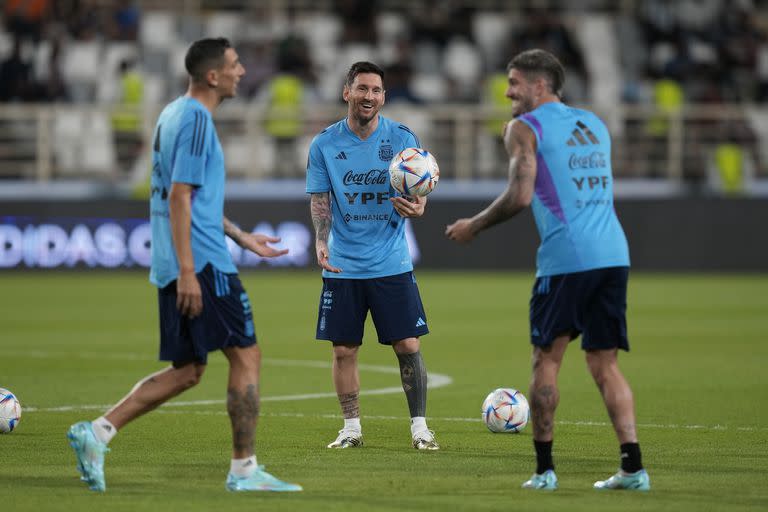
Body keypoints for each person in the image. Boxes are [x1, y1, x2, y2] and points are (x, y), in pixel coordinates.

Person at [67, 38, 302, 493]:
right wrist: (190, 270)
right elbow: (178, 196)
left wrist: (242, 237)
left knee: (190, 369)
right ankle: (244, 470)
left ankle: (97, 432)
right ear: (213, 76)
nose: (241, 71)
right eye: (235, 65)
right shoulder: (196, 119)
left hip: (178, 259)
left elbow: (191, 197)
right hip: (202, 264)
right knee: (246, 354)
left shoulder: (172, 113)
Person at [445, 49, 650, 491]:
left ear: (539, 85)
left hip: (566, 260)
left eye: (514, 83)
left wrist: (473, 226)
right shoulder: (594, 124)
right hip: (613, 254)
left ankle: (544, 471)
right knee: (605, 365)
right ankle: (633, 468)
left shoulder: (525, 128)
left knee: (547, 360)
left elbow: (521, 196)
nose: (507, 91)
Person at [306, 61, 439, 451]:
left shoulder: (401, 137)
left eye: (376, 90)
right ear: (347, 92)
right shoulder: (324, 144)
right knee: (344, 349)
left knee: (408, 346)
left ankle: (419, 428)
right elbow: (320, 199)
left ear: (383, 96)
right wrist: (320, 240)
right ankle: (351, 428)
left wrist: (420, 208)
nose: (369, 96)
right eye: (362, 88)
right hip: (344, 264)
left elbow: (419, 194)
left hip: (391, 261)